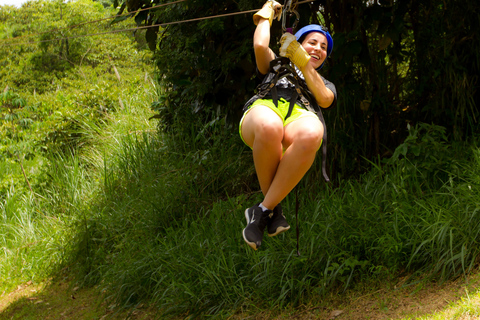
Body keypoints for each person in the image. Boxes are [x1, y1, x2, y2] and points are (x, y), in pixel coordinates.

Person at [239, 0, 337, 250]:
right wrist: (267, 14)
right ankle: (272, 209)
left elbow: (325, 100)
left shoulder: (322, 82)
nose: (318, 48)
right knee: (271, 126)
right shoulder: (275, 65)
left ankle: (262, 212)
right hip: (264, 109)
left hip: (298, 115)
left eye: (324, 47)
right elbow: (260, 45)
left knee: (314, 132)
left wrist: (303, 61)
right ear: (298, 43)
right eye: (312, 43)